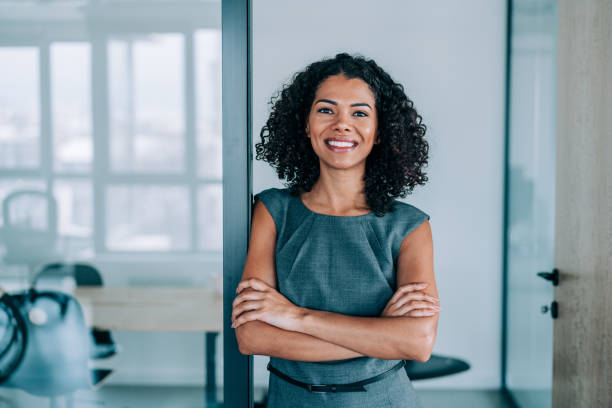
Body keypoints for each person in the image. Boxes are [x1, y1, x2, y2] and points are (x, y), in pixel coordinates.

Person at [232, 52, 439, 407]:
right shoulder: (272, 210)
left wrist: (293, 317)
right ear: (306, 124)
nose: (342, 124)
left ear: (378, 133)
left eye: (359, 113)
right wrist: (378, 334)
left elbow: (417, 343)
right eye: (326, 110)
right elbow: (251, 336)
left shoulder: (410, 226)